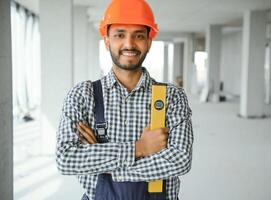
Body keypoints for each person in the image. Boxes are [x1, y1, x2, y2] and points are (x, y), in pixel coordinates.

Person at [56, 0, 193, 199]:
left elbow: (180, 160)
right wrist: (140, 148)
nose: (129, 44)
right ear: (107, 41)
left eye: (138, 35)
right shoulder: (83, 95)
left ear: (149, 42)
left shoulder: (172, 97)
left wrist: (104, 163)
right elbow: (66, 159)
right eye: (120, 35)